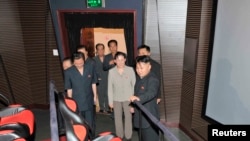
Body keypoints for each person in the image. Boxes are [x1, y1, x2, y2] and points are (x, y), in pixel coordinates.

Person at [64, 52, 97, 139]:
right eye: (76, 63)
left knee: (91, 123)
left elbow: (93, 82)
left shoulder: (90, 67)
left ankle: (91, 138)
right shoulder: (68, 72)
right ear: (73, 62)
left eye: (81, 63)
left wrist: (95, 96)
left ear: (84, 60)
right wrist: (70, 103)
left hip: (89, 100)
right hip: (77, 102)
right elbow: (69, 89)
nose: (79, 65)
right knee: (79, 123)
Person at [130, 55, 160, 141]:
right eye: (137, 68)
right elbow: (136, 92)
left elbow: (151, 93)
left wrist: (139, 98)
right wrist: (133, 106)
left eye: (141, 68)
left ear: (149, 67)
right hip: (141, 117)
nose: (139, 71)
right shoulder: (140, 78)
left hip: (149, 119)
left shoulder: (152, 79)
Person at [108, 51, 136, 141]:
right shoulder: (111, 72)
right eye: (118, 60)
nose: (120, 62)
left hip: (128, 99)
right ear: (115, 61)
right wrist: (110, 101)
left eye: (122, 59)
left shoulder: (130, 70)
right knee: (117, 118)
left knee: (128, 117)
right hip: (116, 98)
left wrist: (133, 101)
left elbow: (134, 85)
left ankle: (128, 136)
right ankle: (119, 135)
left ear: (125, 60)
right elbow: (110, 88)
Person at [77, 45, 98, 136]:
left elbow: (94, 81)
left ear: (86, 52)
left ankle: (91, 136)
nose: (81, 54)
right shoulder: (76, 63)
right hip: (79, 96)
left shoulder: (91, 63)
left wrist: (95, 96)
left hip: (89, 95)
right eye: (79, 53)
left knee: (90, 119)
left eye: (83, 52)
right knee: (79, 119)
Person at [93, 43, 109, 113]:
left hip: (108, 78)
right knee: (100, 93)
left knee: (108, 93)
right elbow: (93, 70)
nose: (100, 51)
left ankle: (108, 108)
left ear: (104, 50)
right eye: (98, 49)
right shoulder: (93, 59)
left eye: (102, 49)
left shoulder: (108, 58)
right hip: (99, 79)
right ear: (96, 50)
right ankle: (102, 107)